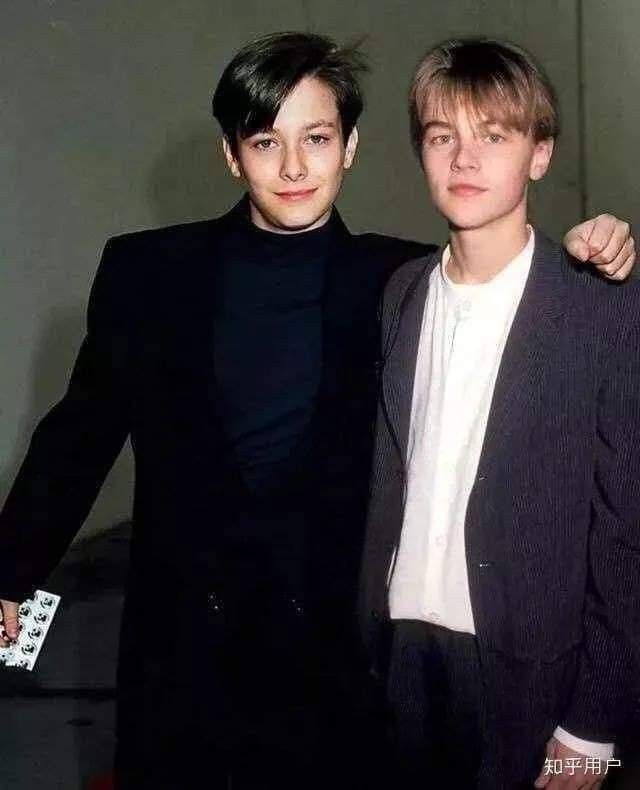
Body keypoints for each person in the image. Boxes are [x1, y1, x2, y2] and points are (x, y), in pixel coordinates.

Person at [0, 31, 635, 790]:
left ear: (351, 146)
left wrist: (594, 248)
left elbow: (499, 272)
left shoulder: (395, 279)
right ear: (232, 155)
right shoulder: (147, 273)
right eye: (267, 141)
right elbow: (78, 435)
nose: (295, 167)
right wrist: (12, 571)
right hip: (179, 663)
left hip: (331, 679)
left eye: (318, 137)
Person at [359, 37, 640, 790]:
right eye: (442, 136)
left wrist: (593, 722)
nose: (464, 159)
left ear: (539, 154)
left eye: (494, 135)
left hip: (526, 670)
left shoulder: (598, 306)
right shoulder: (402, 295)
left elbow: (626, 532)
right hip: (400, 660)